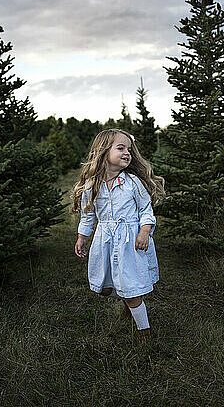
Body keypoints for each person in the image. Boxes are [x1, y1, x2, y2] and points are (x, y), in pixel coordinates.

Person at [71, 128, 165, 345]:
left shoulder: (133, 182)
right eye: (120, 148)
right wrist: (82, 237)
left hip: (130, 242)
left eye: (129, 150)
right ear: (104, 151)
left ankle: (144, 332)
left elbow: (146, 210)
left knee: (131, 288)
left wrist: (144, 231)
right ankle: (128, 303)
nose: (127, 153)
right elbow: (88, 215)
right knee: (107, 287)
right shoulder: (91, 185)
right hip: (105, 240)